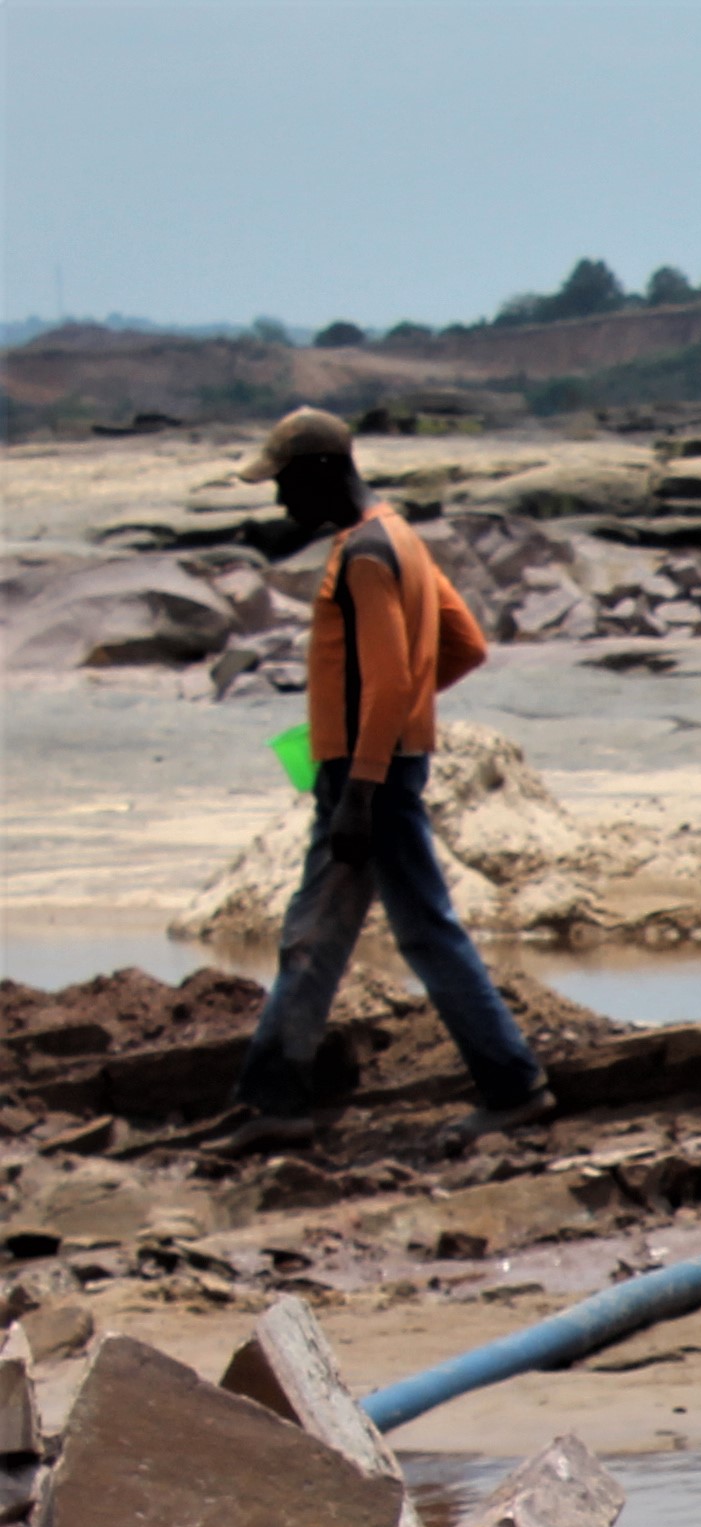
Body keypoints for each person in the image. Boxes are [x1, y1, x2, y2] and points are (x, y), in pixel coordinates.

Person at [215, 408, 550, 1153]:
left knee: (425, 930)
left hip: (368, 782)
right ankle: (274, 1099)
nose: (279, 502)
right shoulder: (398, 536)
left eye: (286, 483)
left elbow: (395, 675)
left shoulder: (365, 554)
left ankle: (513, 1085)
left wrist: (365, 782)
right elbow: (462, 645)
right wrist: (392, 726)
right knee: (313, 935)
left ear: (324, 471)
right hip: (368, 767)